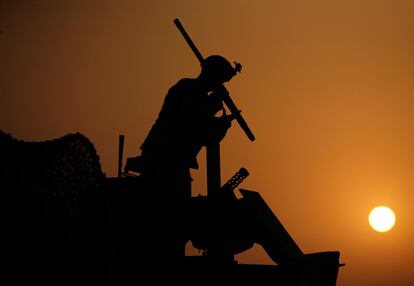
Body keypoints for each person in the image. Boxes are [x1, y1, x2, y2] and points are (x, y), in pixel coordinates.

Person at [125, 55, 240, 261]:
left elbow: (206, 135)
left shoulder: (199, 96)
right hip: (162, 161)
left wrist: (221, 125)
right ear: (211, 76)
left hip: (177, 163)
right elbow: (189, 124)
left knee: (176, 219)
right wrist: (212, 107)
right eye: (219, 80)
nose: (219, 85)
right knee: (167, 218)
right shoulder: (186, 89)